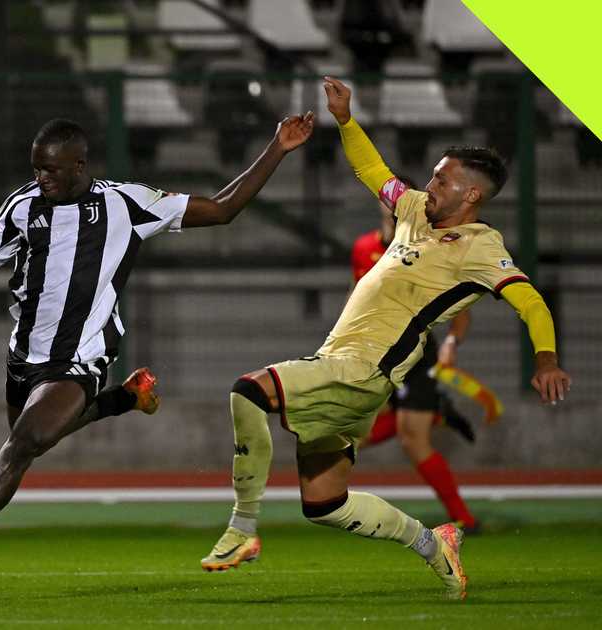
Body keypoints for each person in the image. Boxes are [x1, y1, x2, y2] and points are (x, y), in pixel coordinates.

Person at [0, 113, 316, 593]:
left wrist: (278, 146)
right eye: (36, 169)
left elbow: (222, 208)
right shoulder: (22, 206)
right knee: (31, 442)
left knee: (21, 446)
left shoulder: (126, 203)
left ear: (79, 164)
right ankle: (125, 399)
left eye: (50, 171)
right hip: (24, 355)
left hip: (83, 354)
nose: (40, 179)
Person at [198, 77, 572, 600]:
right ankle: (432, 543)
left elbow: (530, 301)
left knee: (247, 390)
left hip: (365, 366)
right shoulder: (416, 211)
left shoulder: (481, 249)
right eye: (434, 176)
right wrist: (346, 120)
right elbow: (373, 171)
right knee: (324, 502)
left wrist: (547, 358)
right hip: (347, 366)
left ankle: (242, 528)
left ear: (471, 195)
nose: (430, 184)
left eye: (442, 180)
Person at [351, 180, 482, 531]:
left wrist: (452, 343)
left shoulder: (430, 248)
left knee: (414, 440)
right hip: (376, 353)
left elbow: (460, 307)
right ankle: (431, 412)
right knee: (355, 432)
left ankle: (464, 519)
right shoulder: (363, 248)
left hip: (416, 353)